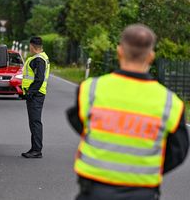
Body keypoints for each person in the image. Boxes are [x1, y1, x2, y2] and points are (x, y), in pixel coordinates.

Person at [67, 24, 189, 200]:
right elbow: (178, 151)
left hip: (94, 190)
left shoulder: (91, 89)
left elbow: (78, 121)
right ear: (151, 56)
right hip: (142, 191)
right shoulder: (170, 103)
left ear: (119, 51)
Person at [21, 36, 50, 158]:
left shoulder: (38, 60)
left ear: (32, 46)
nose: (29, 49)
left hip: (36, 95)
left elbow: (39, 79)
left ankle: (37, 150)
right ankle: (34, 148)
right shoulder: (41, 57)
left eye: (30, 47)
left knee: (35, 122)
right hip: (37, 94)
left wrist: (30, 93)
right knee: (34, 122)